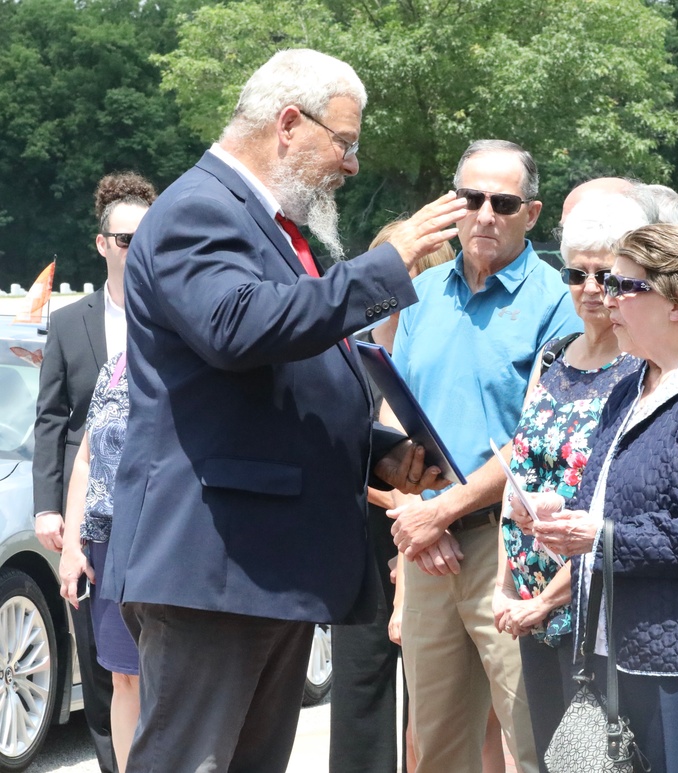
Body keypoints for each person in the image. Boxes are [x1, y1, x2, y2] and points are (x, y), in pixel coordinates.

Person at [103, 49, 467, 773]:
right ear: (290, 124)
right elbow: (239, 328)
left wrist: (377, 449)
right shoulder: (198, 209)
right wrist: (382, 267)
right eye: (346, 142)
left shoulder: (266, 223)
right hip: (212, 565)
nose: (352, 165)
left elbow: (282, 383)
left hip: (258, 565)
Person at [512, 223, 678, 771]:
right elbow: (611, 496)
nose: (606, 297)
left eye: (625, 287)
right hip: (612, 653)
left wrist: (601, 536)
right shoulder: (631, 383)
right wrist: (559, 512)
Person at [388, 139, 582, 773]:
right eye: (471, 199)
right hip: (426, 550)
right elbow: (394, 414)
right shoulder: (418, 292)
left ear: (532, 213)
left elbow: (540, 442)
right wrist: (417, 510)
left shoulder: (559, 301)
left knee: (531, 745)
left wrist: (441, 510)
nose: (485, 215)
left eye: (503, 202)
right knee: (436, 749)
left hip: (511, 549)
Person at [492, 192, 646, 768]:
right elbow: (518, 481)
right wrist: (505, 589)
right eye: (575, 272)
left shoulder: (640, 371)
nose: (589, 288)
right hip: (531, 603)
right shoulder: (553, 357)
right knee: (554, 757)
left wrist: (546, 601)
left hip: (593, 612)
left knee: (597, 759)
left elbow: (614, 505)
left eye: (605, 274)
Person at [33, 171, 156, 773]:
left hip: (160, 516)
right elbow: (54, 422)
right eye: (124, 238)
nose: (135, 247)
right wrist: (52, 511)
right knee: (107, 668)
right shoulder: (67, 322)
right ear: (102, 243)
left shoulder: (174, 314)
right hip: (95, 516)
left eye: (146, 236)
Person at [328, 219, 455, 773]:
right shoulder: (355, 352)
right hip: (370, 536)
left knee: (436, 704)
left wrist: (425, 510)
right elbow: (337, 448)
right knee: (361, 691)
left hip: (442, 532)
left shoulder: (444, 347)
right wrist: (396, 503)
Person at [59, 347, 137, 773]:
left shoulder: (186, 358)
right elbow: (86, 461)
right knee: (123, 679)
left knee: (154, 683)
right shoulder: (116, 364)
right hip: (106, 548)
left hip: (153, 543)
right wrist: (72, 545)